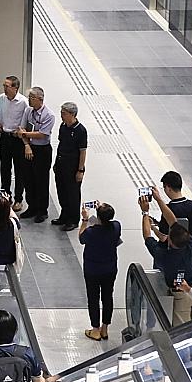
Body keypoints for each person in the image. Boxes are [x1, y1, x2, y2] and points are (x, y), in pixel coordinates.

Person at [142, 211, 192, 325]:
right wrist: (154, 227)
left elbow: (147, 236)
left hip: (182, 295)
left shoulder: (164, 257)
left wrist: (145, 212)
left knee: (182, 330)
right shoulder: (190, 244)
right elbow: (172, 222)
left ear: (170, 240)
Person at [80, 203, 121, 341]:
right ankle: (105, 328)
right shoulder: (116, 227)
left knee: (93, 298)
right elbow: (106, 220)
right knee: (107, 297)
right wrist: (102, 210)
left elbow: (81, 238)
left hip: (92, 269)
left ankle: (95, 329)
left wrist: (85, 220)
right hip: (109, 269)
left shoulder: (91, 232)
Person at [13, 86, 53, 222]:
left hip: (42, 151)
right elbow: (21, 128)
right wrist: (26, 144)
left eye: (32, 98)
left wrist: (24, 134)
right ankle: (32, 207)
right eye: (29, 97)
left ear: (40, 99)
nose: (29, 100)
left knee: (41, 180)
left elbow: (42, 134)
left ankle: (42, 210)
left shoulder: (49, 115)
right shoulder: (28, 111)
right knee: (28, 178)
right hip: (28, 147)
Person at [51, 102, 88, 229]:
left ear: (72, 114)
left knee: (72, 193)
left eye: (64, 113)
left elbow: (82, 151)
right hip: (61, 163)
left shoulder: (80, 130)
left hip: (73, 167)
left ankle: (73, 219)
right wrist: (56, 162)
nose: (62, 116)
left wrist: (80, 170)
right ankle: (64, 215)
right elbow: (61, 145)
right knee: (61, 191)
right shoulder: (63, 126)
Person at [0, 76, 28, 209]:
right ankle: (6, 196)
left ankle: (19, 199)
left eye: (7, 86)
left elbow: (27, 120)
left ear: (15, 88)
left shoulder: (23, 102)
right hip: (5, 137)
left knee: (19, 170)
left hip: (17, 139)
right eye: (4, 86)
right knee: (5, 168)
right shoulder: (2, 98)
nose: (5, 89)